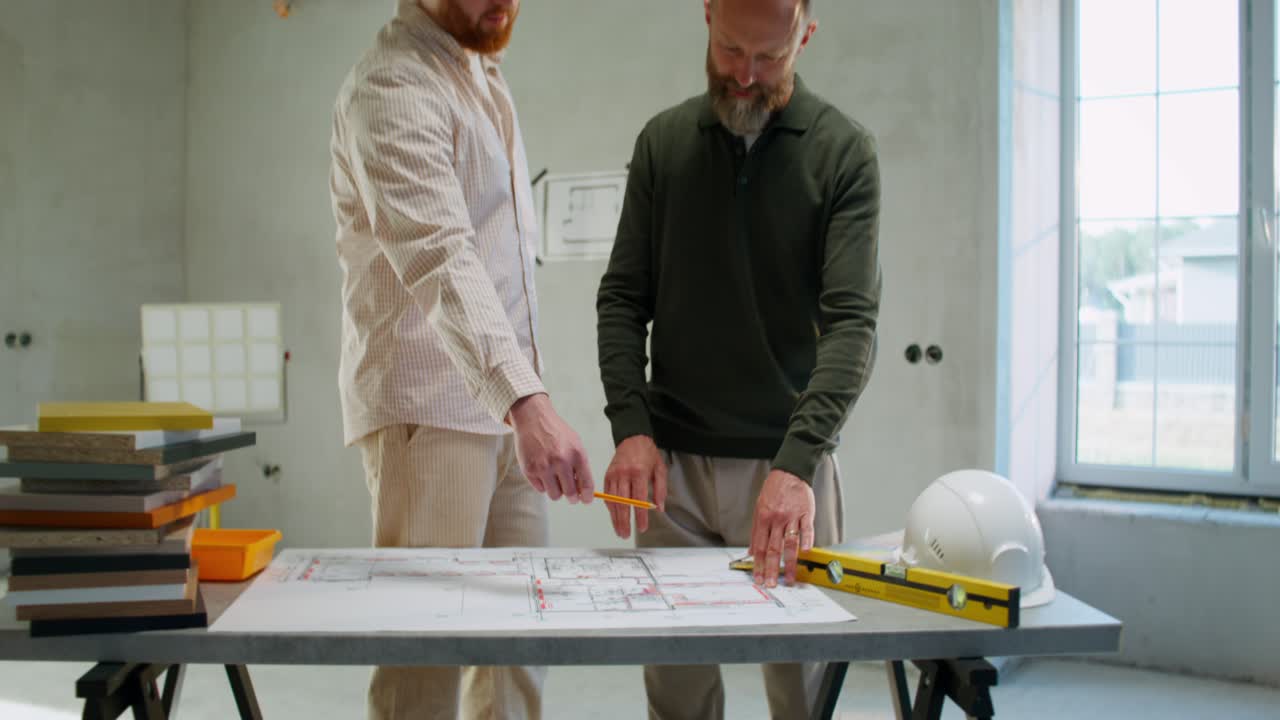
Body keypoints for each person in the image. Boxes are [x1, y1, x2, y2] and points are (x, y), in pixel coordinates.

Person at [596, 0, 882, 717]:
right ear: (707, 19)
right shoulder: (663, 145)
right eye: (730, 52)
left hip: (786, 469)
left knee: (804, 689)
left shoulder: (845, 152)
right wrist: (631, 425)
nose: (747, 78)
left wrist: (799, 463)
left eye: (770, 58)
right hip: (673, 475)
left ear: (806, 38)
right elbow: (623, 298)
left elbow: (852, 322)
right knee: (677, 694)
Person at [330, 1, 594, 717]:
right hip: (429, 411)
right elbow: (439, 253)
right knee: (424, 656)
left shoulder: (480, 74)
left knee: (517, 648)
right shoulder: (392, 87)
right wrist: (527, 402)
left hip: (505, 411)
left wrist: (523, 398)